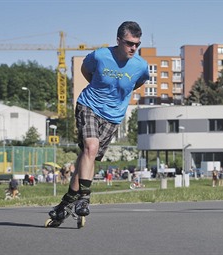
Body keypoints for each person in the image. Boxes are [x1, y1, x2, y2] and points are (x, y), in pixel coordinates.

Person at [48, 21, 150, 222]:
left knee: (89, 156)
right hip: (89, 106)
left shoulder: (140, 66)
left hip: (113, 116)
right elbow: (86, 71)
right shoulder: (101, 55)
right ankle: (84, 198)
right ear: (118, 40)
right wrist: (99, 91)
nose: (133, 48)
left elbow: (138, 82)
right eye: (129, 43)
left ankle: (66, 202)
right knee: (91, 147)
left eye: (137, 44)